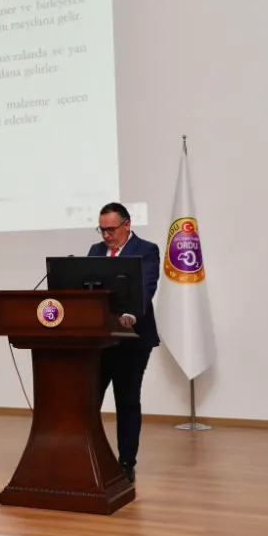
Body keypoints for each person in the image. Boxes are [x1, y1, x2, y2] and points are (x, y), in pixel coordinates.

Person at [87, 202, 160, 482]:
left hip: (133, 341)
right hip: (99, 341)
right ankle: (87, 456)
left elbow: (146, 286)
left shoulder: (146, 250)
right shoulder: (95, 252)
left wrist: (130, 313)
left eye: (111, 229)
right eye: (102, 230)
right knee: (88, 400)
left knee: (127, 401)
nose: (106, 235)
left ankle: (126, 463)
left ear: (127, 225)